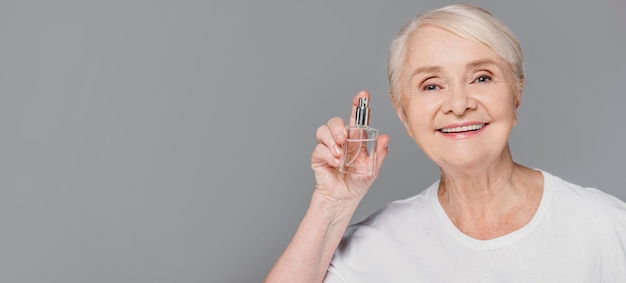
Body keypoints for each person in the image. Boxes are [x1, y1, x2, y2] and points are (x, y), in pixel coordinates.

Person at [265, 3, 626, 282]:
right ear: (403, 113)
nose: (458, 104)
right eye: (431, 85)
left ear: (517, 94)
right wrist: (332, 205)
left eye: (482, 77)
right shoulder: (374, 246)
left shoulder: (605, 228)